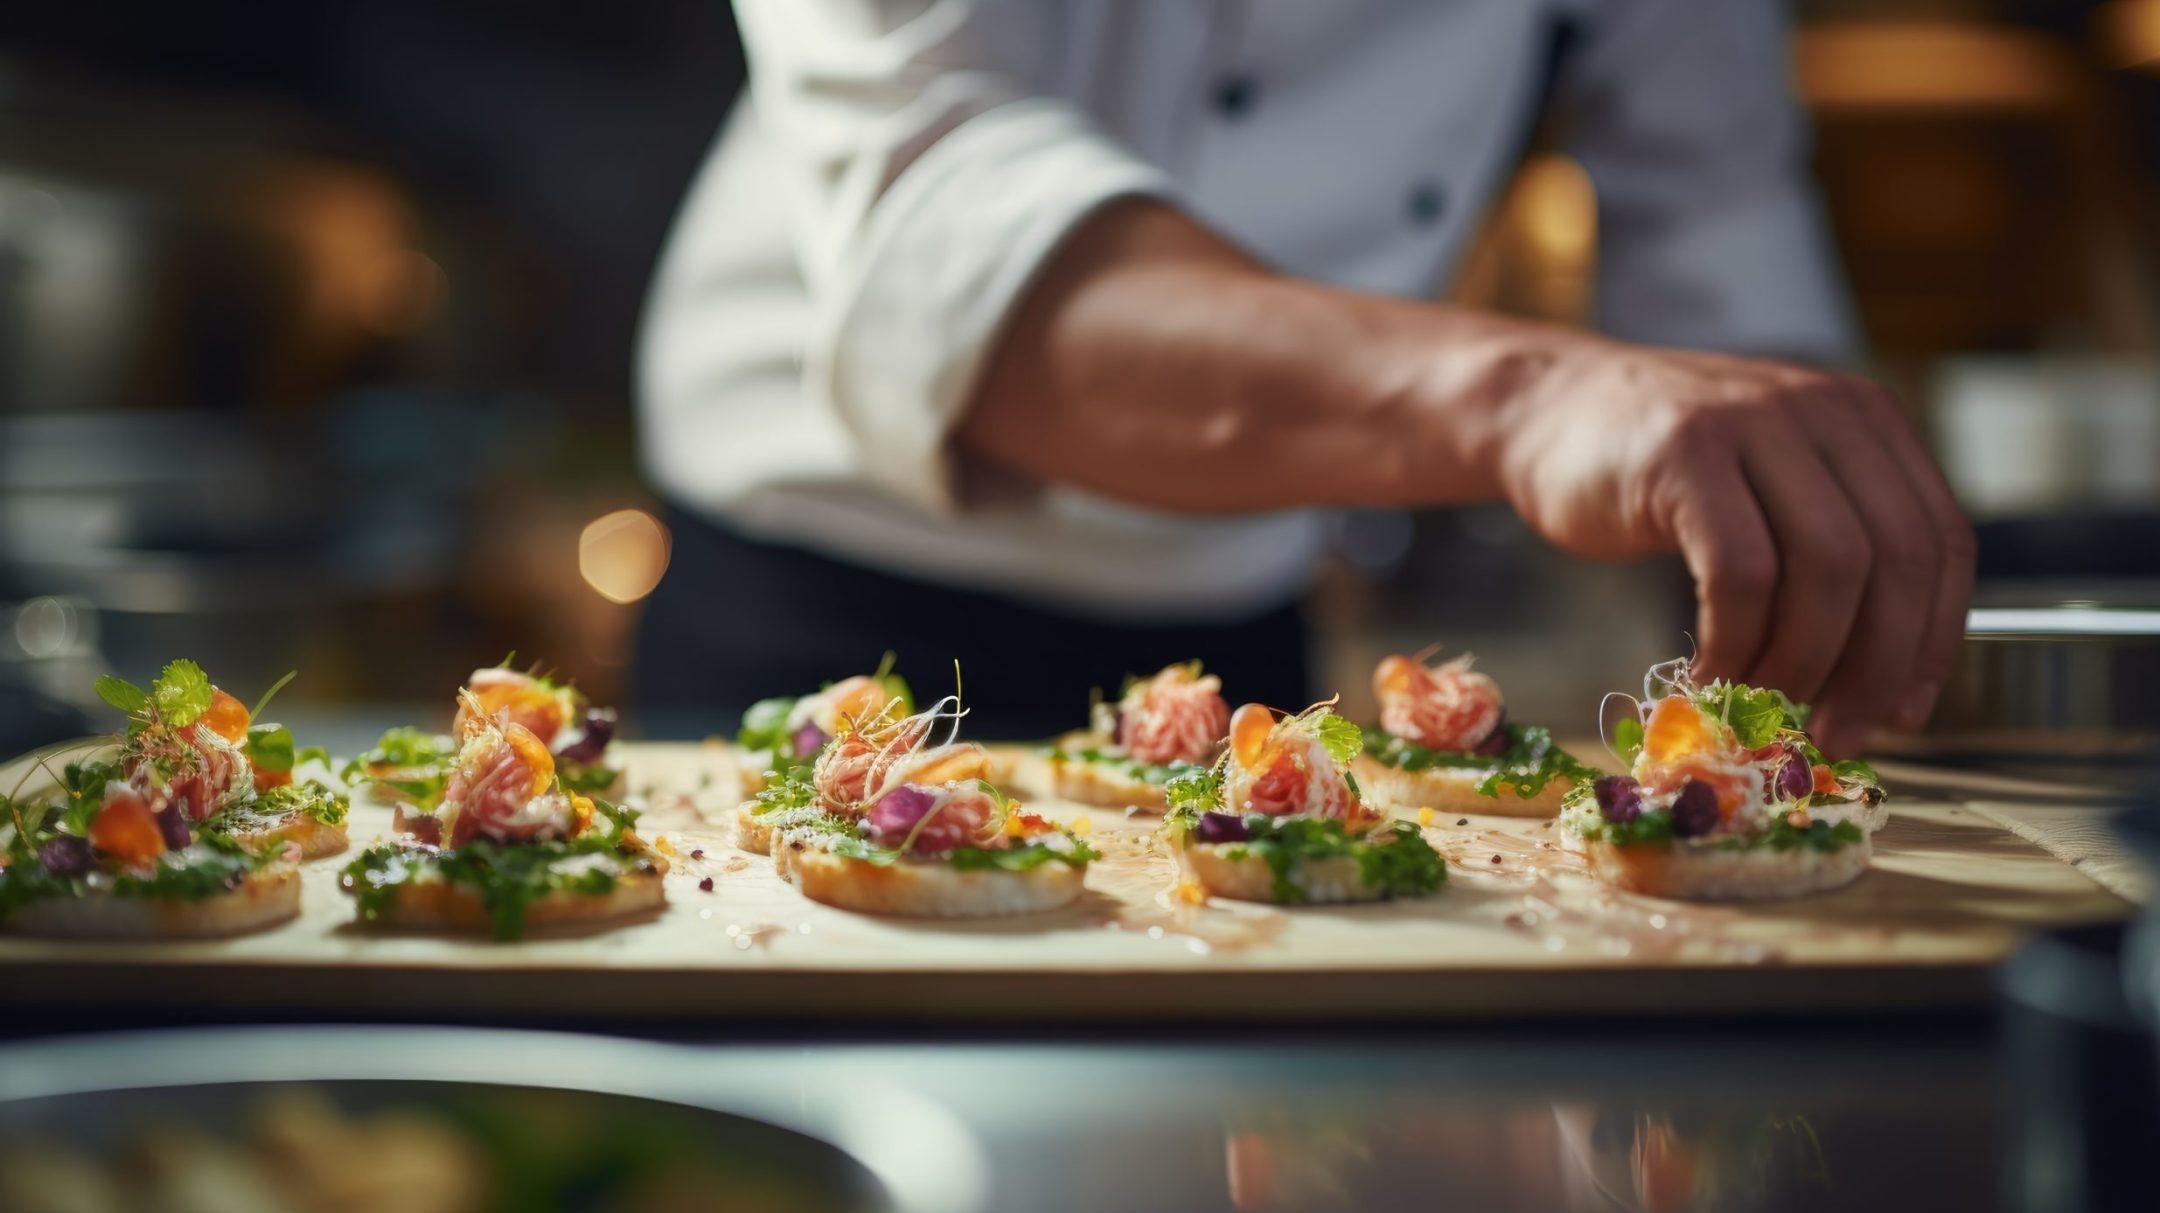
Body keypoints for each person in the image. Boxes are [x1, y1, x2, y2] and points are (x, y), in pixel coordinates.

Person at [635, 0, 1973, 752]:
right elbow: (970, 255)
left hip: (1238, 617)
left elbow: (1715, 203)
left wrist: (1809, 523)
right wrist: (1529, 398)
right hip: (814, 598)